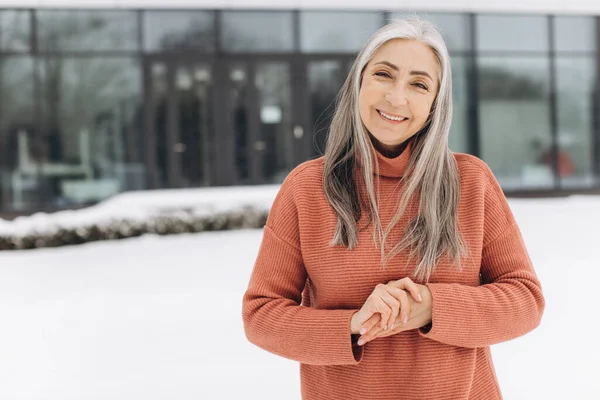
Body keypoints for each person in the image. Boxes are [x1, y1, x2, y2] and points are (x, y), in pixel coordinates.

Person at [242, 17, 545, 400]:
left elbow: (525, 300)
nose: (397, 97)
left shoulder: (471, 182)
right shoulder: (306, 188)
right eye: (384, 74)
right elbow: (261, 315)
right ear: (359, 82)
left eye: (419, 84)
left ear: (436, 104)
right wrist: (352, 325)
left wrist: (432, 307)